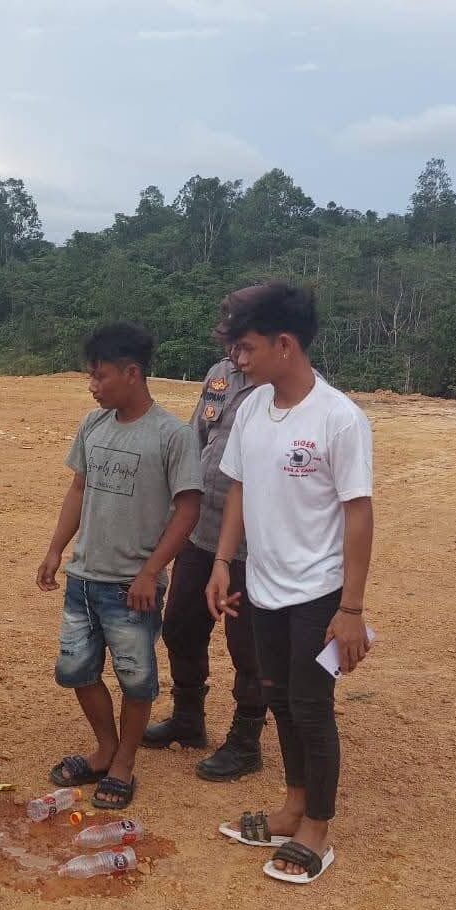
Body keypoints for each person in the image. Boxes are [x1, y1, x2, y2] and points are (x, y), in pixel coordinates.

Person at [207, 282, 373, 884]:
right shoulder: (252, 408)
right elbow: (239, 490)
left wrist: (350, 608)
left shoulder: (339, 418)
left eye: (247, 349)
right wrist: (225, 563)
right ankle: (292, 806)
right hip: (263, 585)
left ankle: (316, 831)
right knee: (278, 698)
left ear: (284, 343)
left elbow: (359, 512)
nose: (239, 362)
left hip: (320, 593)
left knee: (311, 708)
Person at [37, 321, 203, 809]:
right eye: (91, 376)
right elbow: (78, 489)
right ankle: (105, 748)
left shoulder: (172, 435)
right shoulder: (93, 426)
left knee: (135, 677)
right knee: (78, 671)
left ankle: (125, 761)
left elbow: (188, 509)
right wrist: (55, 549)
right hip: (83, 578)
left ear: (132, 373)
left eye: (101, 376)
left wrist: (151, 572)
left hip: (133, 586)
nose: (92, 386)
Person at [144, 287, 267, 780]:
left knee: (248, 645)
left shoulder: (287, 390)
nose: (237, 356)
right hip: (202, 532)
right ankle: (188, 718)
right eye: (232, 344)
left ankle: (246, 740)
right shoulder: (220, 376)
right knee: (181, 625)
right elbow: (199, 436)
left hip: (253, 545)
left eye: (245, 345)